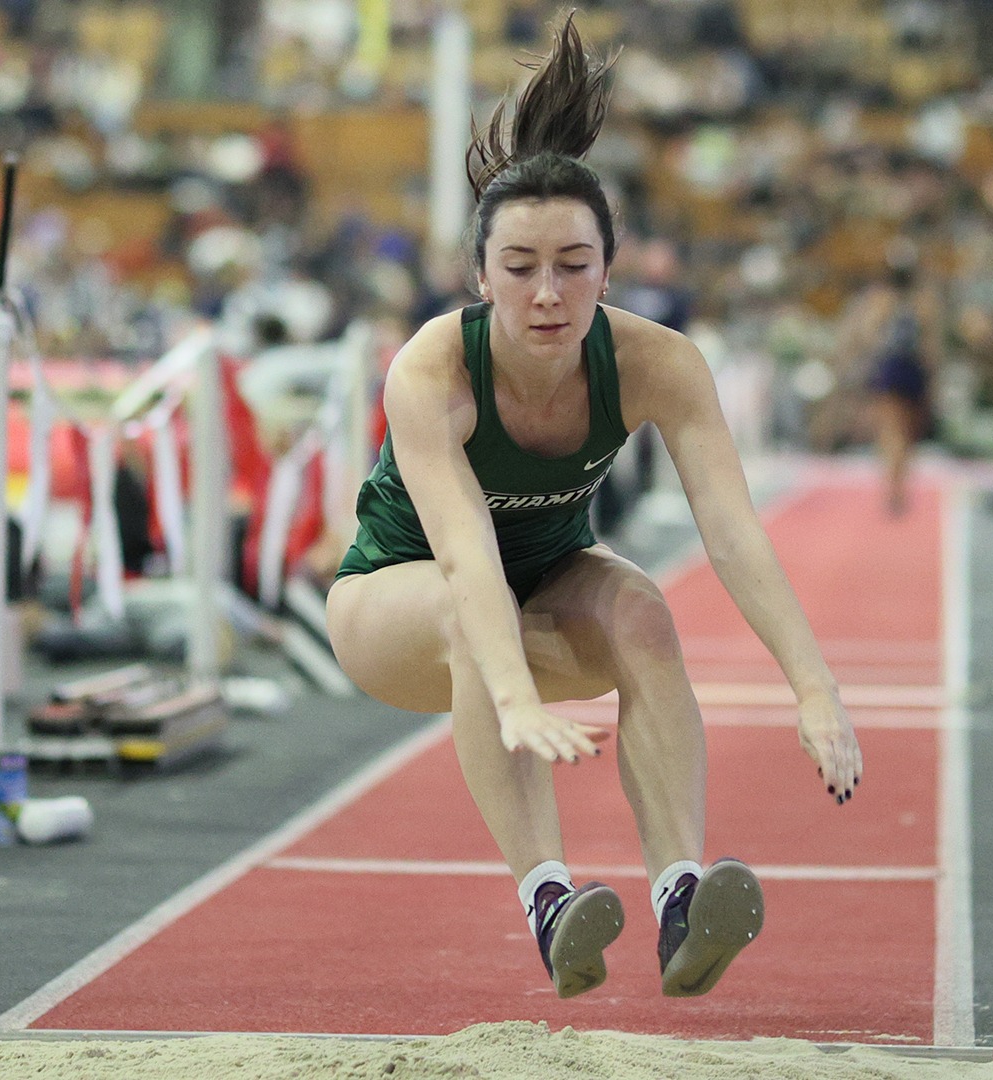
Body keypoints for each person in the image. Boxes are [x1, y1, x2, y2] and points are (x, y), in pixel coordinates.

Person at [324, 14, 862, 1001]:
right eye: (520, 269)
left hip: (544, 597)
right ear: (480, 277)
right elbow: (466, 557)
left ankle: (679, 901)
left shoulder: (659, 363)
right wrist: (515, 693)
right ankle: (547, 900)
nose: (546, 295)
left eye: (573, 266)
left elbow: (732, 531)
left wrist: (813, 682)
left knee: (645, 611)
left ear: (609, 269)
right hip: (394, 609)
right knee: (466, 618)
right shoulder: (433, 369)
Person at [835, 249, 934, 516]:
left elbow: (866, 335)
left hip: (892, 367)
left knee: (893, 431)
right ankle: (897, 482)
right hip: (909, 369)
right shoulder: (920, 301)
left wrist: (863, 363)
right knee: (904, 432)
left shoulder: (883, 300)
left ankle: (893, 483)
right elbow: (929, 344)